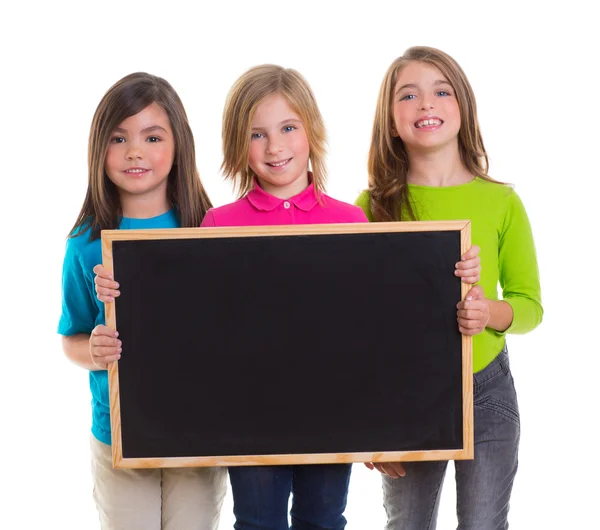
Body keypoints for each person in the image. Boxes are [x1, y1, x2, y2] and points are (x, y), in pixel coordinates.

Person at [94, 64, 483, 530]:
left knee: (323, 518)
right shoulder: (218, 225)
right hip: (248, 418)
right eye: (257, 134)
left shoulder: (349, 223)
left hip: (334, 416)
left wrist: (383, 431)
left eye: (288, 128)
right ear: (239, 144)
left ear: (311, 132)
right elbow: (200, 334)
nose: (275, 146)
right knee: (258, 521)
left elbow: (375, 336)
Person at [355, 46, 543, 529]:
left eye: (441, 91)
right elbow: (355, 325)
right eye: (409, 95)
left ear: (462, 106)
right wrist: (369, 429)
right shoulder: (370, 207)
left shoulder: (501, 201)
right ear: (390, 118)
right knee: (408, 524)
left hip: (486, 390)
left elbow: (529, 306)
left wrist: (488, 312)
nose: (426, 105)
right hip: (405, 394)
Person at [58, 72, 227, 530]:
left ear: (178, 146)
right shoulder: (87, 243)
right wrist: (92, 350)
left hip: (198, 427)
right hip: (119, 431)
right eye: (119, 138)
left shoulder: (209, 230)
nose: (135, 151)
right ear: (100, 149)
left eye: (152, 137)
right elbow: (70, 335)